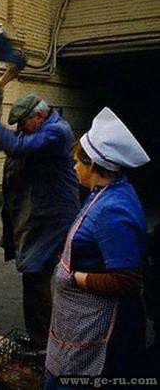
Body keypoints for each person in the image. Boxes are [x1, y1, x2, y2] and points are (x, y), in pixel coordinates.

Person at [44, 107, 149, 386]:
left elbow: (126, 279)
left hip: (100, 332)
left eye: (77, 162)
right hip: (79, 324)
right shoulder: (102, 193)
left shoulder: (114, 210)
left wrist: (76, 278)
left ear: (93, 165)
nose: (74, 167)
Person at [0, 89, 80, 352]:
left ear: (40, 116)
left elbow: (17, 146)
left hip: (52, 218)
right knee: (33, 277)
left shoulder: (57, 132)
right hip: (33, 214)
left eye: (23, 122)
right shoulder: (34, 129)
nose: (20, 128)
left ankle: (44, 344)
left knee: (35, 275)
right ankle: (40, 338)